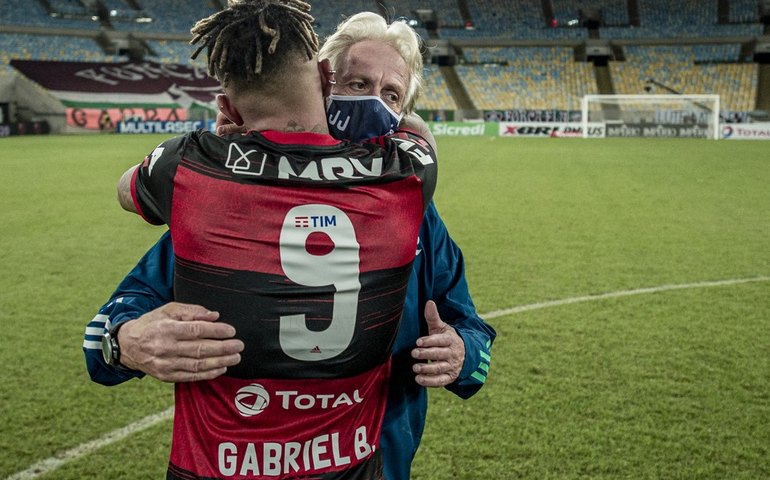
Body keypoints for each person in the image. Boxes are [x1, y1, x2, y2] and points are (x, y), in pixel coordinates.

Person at [84, 9, 495, 480]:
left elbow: (473, 334)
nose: (373, 104)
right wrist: (126, 341)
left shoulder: (417, 215)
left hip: (383, 459)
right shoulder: (226, 201)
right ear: (323, 83)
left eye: (391, 95)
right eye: (358, 84)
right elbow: (108, 331)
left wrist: (462, 354)